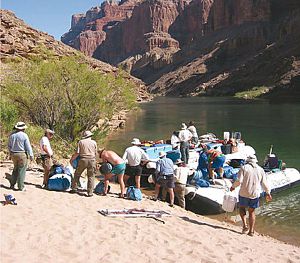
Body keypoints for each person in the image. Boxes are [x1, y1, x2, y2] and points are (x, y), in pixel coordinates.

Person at [230, 155, 272, 236]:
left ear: (247, 161)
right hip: (254, 194)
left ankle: (245, 225)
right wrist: (268, 193)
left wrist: (233, 187)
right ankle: (251, 231)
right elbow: (264, 183)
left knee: (242, 208)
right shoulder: (261, 170)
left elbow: (239, 181)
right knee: (252, 212)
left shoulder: (244, 168)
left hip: (244, 192)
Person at [70, 131, 97, 197]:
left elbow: (77, 153)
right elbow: (95, 153)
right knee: (91, 176)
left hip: (83, 159)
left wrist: (72, 159)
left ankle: (74, 188)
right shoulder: (94, 142)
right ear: (90, 136)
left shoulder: (81, 142)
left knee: (77, 174)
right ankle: (90, 192)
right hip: (92, 160)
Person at [8, 122, 34, 191]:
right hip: (22, 154)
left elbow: (9, 146)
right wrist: (31, 155)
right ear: (23, 128)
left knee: (15, 169)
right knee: (22, 170)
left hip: (14, 154)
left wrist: (10, 153)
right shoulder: (24, 135)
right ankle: (21, 186)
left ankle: (12, 184)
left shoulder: (12, 135)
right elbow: (28, 146)